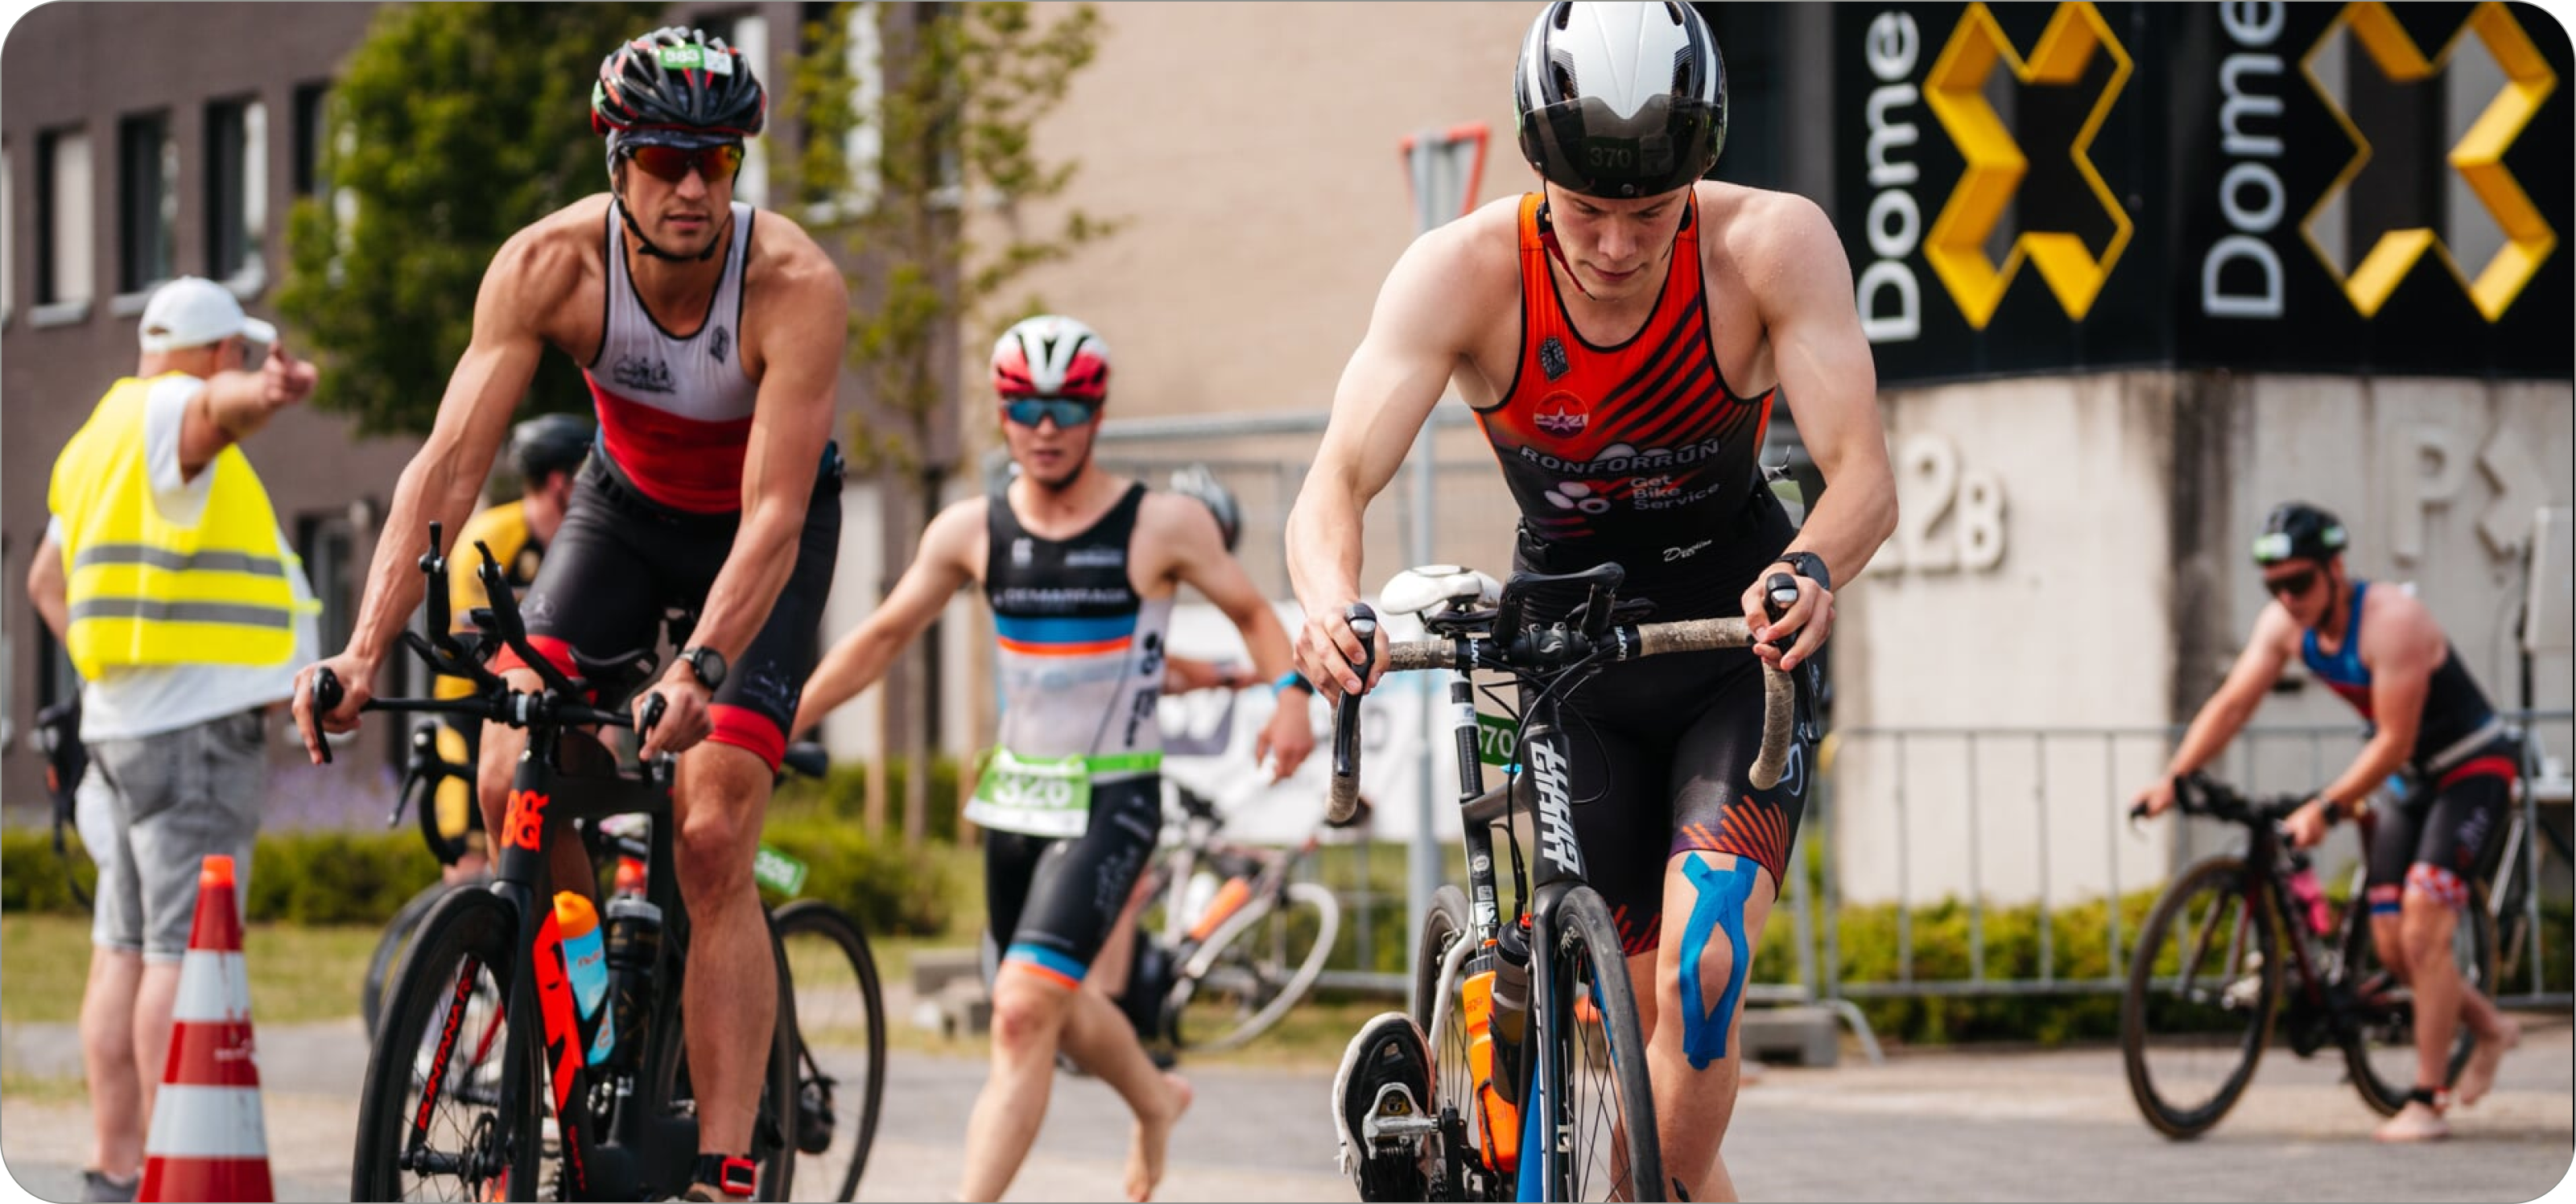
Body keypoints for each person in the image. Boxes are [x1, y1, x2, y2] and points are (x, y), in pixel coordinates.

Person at [1285, 5, 1896, 1199]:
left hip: (1734, 638)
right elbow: (1337, 481)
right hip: (1574, 658)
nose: (1616, 247)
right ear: (1536, 170)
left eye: (1652, 216)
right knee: (1601, 1019)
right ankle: (1492, 1047)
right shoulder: (1462, 275)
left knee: (1700, 985)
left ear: (1699, 178)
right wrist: (1328, 604)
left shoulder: (1773, 247)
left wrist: (1811, 567)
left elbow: (1863, 475)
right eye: (1586, 213)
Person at [290, 27, 849, 1201]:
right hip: (625, 511)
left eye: (716, 159)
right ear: (617, 158)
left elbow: (775, 516)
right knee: (511, 782)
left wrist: (699, 665)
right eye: (662, 156)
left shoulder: (794, 285)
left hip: (759, 538)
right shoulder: (548, 268)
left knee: (709, 835)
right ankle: (594, 1039)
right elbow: (446, 467)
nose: (691, 184)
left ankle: (728, 1163)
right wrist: (357, 647)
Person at [793, 315, 1316, 1202]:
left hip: (1112, 796)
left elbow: (1254, 614)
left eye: (1064, 409)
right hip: (1016, 801)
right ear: (1001, 414)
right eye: (1023, 407)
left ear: (1096, 412)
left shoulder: (1161, 522)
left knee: (1023, 1007)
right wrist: (776, 719)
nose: (1043, 427)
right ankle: (1156, 1099)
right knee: (1049, 1002)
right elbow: (882, 635)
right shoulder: (972, 529)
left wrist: (1290, 695)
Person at [27, 275, 320, 1202]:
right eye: (234, 353)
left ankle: (120, 1165)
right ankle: (173, 1171)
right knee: (179, 957)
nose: (238, 369)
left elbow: (45, 577)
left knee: (122, 950)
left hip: (124, 730)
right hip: (190, 738)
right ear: (212, 351)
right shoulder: (168, 415)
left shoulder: (92, 442)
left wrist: (113, 667)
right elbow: (211, 410)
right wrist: (264, 394)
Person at [2130, 502, 2522, 1142]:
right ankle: (2490, 1029)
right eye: (2275, 586)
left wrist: (2329, 808)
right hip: (2409, 780)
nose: (2289, 599)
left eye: (2301, 583)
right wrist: (2174, 779)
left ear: (2336, 569)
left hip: (2471, 770)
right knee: (2394, 948)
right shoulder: (2284, 625)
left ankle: (2427, 1100)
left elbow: (2394, 740)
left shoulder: (2394, 623)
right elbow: (2231, 705)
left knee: (2424, 928)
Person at [419, 412, 599, 885]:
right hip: (473, 712)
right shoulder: (489, 538)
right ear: (561, 481)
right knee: (469, 869)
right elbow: (470, 644)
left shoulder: (585, 548)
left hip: (550, 712)